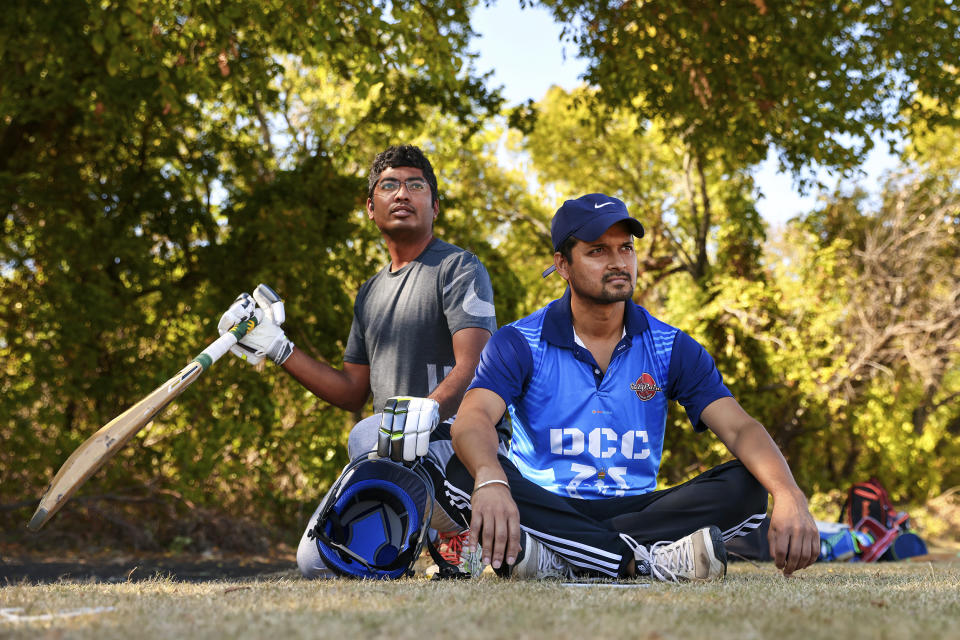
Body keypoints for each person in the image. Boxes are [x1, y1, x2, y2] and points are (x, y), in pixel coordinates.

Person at [444, 193, 820, 582]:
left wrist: (790, 495)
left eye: (626, 248)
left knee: (749, 487)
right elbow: (472, 419)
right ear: (563, 265)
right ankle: (641, 562)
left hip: (638, 511)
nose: (619, 262)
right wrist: (490, 476)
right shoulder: (520, 341)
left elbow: (740, 428)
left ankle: (562, 558)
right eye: (598, 251)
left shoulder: (670, 347)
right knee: (463, 472)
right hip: (547, 503)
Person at [217, 145, 499, 577]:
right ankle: (413, 548)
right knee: (317, 561)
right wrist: (277, 347)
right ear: (371, 208)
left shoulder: (458, 267)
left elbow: (476, 361)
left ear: (434, 205)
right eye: (389, 185)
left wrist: (426, 410)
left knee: (369, 431)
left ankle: (457, 532)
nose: (402, 193)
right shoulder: (369, 293)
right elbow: (351, 390)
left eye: (415, 185)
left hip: (456, 446)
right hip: (392, 450)